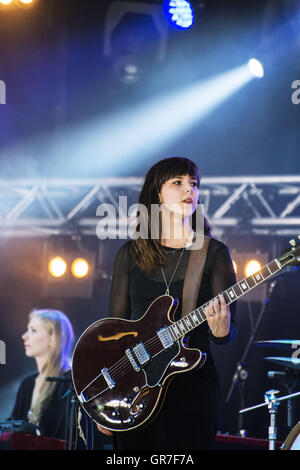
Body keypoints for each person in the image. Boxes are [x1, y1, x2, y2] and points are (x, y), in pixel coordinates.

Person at [99, 156, 237, 450]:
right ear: (156, 193)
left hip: (190, 389)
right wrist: (104, 397)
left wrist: (222, 329)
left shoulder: (213, 254)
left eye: (194, 183)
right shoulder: (130, 254)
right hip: (134, 390)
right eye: (178, 182)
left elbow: (228, 333)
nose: (190, 189)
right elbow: (114, 332)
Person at [10, 309, 74, 440]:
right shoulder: (27, 384)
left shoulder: (70, 382)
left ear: (53, 338)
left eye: (33, 330)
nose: (24, 336)